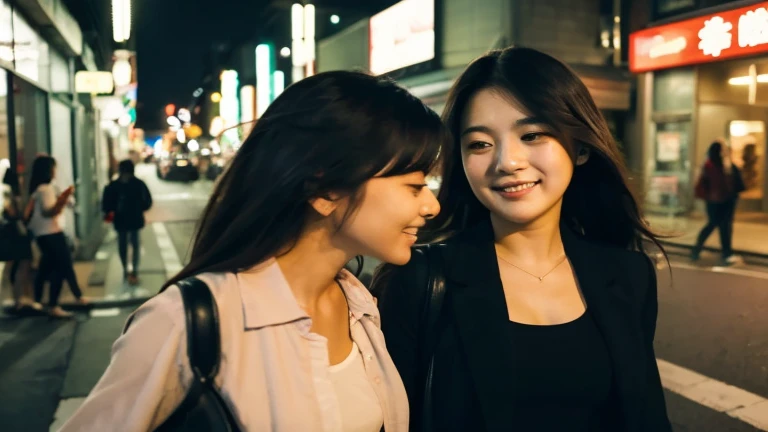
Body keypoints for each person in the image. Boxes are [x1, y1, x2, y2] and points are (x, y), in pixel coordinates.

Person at [60, 71, 445, 431]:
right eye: (414, 186)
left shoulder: (361, 306)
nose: (432, 206)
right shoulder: (187, 321)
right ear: (327, 191)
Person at [371, 47, 672, 432]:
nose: (508, 162)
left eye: (532, 134)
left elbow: (647, 416)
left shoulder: (629, 275)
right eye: (480, 143)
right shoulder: (419, 279)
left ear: (580, 147)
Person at [26, 155, 87, 318]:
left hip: (43, 234)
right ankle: (55, 304)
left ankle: (39, 301)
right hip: (51, 232)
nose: (55, 171)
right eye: (53, 168)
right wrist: (61, 201)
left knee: (47, 266)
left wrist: (63, 197)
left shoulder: (40, 188)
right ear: (48, 170)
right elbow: (48, 211)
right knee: (61, 266)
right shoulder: (45, 189)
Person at [692, 141, 746, 265]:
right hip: (720, 200)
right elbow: (719, 184)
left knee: (721, 226)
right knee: (718, 225)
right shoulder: (713, 165)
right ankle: (700, 250)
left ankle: (722, 252)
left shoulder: (713, 164)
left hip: (719, 200)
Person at [102, 159, 153, 284]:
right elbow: (147, 201)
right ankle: (131, 270)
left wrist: (111, 211)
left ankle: (129, 269)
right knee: (131, 245)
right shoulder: (138, 184)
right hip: (133, 218)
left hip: (122, 220)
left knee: (125, 244)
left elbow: (106, 204)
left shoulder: (113, 185)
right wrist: (140, 208)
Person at [1, 164, 41, 313]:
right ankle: (22, 299)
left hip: (15, 234)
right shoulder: (10, 194)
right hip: (17, 235)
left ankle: (21, 299)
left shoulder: (9, 194)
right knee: (22, 266)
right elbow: (13, 213)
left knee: (18, 267)